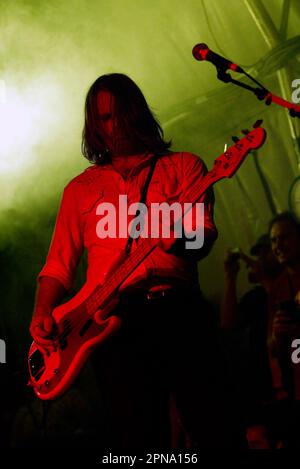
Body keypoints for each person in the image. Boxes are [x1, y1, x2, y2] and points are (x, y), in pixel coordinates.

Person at [29, 73, 220, 448]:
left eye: (119, 114)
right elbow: (57, 267)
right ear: (92, 126)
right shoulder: (80, 189)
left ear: (137, 113)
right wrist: (42, 312)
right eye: (102, 118)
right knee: (138, 438)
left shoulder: (184, 168)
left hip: (177, 310)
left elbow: (203, 239)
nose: (112, 125)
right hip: (111, 325)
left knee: (211, 424)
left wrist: (175, 239)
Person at [221, 235, 281, 448]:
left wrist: (264, 277)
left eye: (265, 252)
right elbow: (228, 323)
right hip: (262, 392)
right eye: (258, 255)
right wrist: (230, 277)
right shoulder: (256, 296)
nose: (260, 259)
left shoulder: (290, 286)